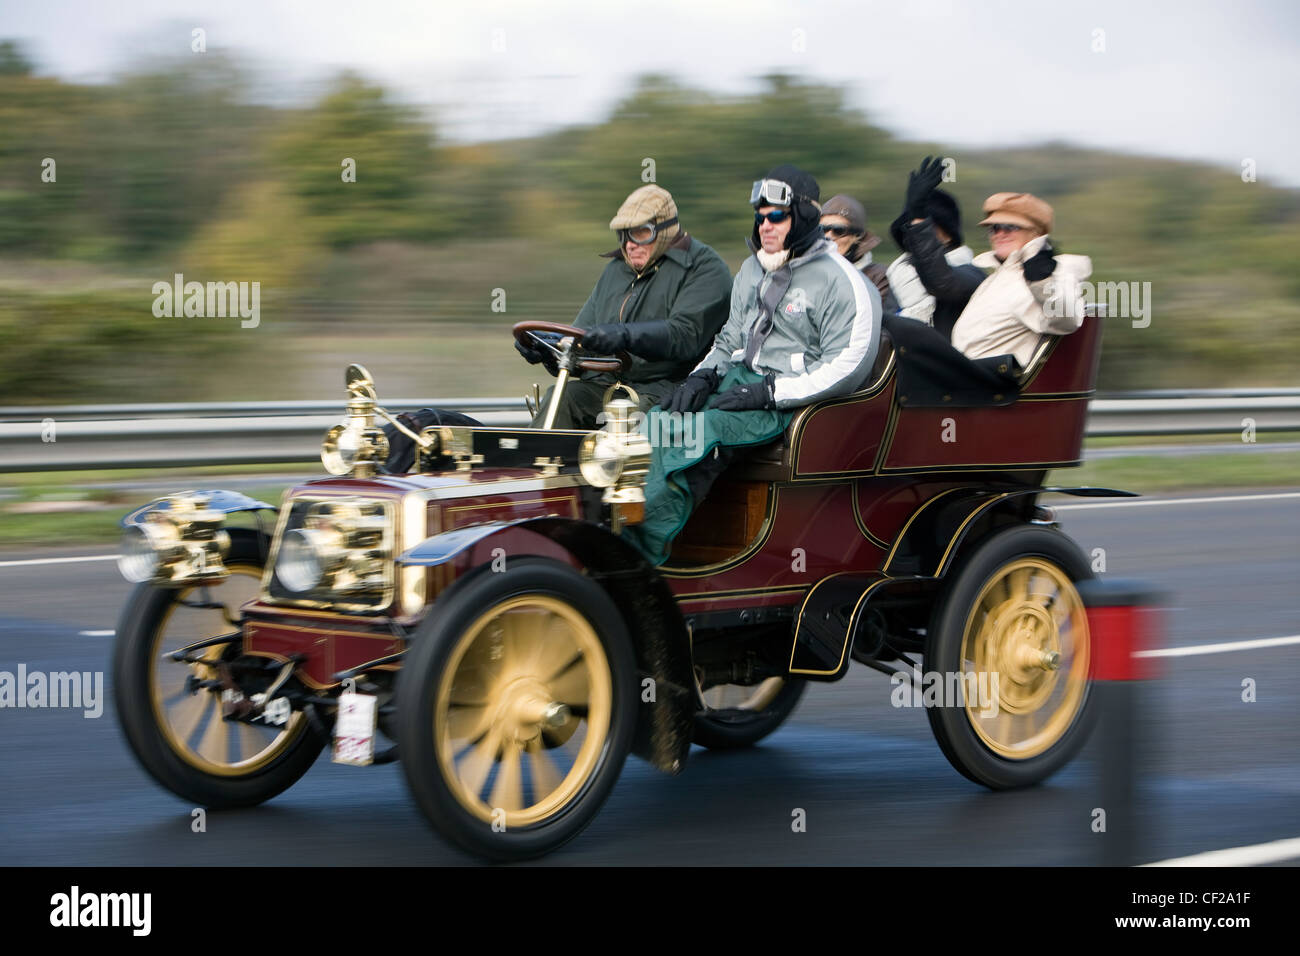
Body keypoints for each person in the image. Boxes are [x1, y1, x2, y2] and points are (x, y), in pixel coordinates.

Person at [624, 165, 881, 566]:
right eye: (760, 217)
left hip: (789, 403)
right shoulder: (752, 269)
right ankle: (616, 524)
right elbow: (730, 340)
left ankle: (642, 556)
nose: (765, 226)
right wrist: (702, 377)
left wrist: (770, 393)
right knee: (658, 419)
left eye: (776, 216)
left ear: (804, 219)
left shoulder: (843, 283)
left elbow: (848, 366)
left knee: (700, 432)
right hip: (739, 384)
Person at [517, 184, 733, 429]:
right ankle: (536, 465)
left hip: (669, 391)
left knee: (619, 431)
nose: (629, 244)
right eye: (624, 233)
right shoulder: (616, 270)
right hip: (607, 385)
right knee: (561, 397)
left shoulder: (704, 267)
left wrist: (624, 336)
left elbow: (684, 336)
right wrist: (549, 348)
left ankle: (602, 466)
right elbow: (581, 337)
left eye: (640, 233)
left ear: (665, 230)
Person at [884, 190, 1092, 407]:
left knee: (894, 325)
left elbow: (1067, 319)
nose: (999, 234)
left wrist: (1041, 281)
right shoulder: (1001, 275)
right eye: (994, 228)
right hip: (966, 386)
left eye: (1010, 227)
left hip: (986, 393)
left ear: (1036, 233)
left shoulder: (1054, 273)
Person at [885, 156, 984, 340]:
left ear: (947, 235)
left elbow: (940, 282)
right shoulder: (897, 275)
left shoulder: (971, 273)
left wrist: (918, 217)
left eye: (922, 225)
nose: (912, 232)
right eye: (909, 226)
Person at [820, 194, 899, 313]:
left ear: (857, 236)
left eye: (838, 230)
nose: (828, 236)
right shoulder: (803, 271)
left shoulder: (878, 277)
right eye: (822, 229)